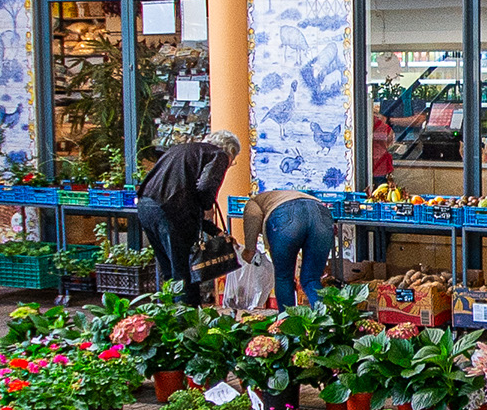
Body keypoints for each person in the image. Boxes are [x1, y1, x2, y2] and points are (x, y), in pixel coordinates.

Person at [136, 129, 237, 305]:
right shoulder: (218, 155)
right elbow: (205, 187)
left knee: (170, 271)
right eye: (232, 161)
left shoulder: (182, 149)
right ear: (230, 151)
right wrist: (208, 206)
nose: (229, 166)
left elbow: (187, 197)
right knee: (184, 272)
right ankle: (186, 317)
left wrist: (215, 231)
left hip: (146, 207)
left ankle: (169, 314)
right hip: (170, 213)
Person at [245, 184, 337, 307]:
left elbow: (253, 215)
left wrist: (249, 249)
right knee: (311, 279)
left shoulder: (254, 201)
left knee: (284, 278)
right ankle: (324, 317)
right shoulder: (290, 195)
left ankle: (287, 318)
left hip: (286, 217)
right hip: (321, 214)